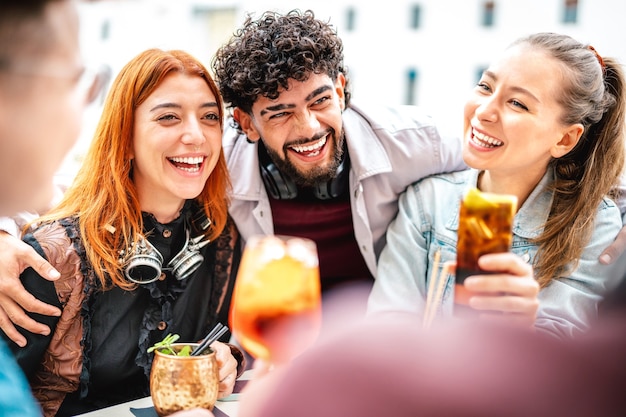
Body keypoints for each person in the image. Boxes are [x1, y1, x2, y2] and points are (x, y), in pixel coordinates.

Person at [0, 48, 246, 417]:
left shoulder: (222, 239)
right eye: (168, 117)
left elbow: (222, 341)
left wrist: (229, 359)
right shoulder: (54, 258)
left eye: (210, 116)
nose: (196, 135)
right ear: (125, 138)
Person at [367, 33, 626, 338]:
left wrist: (523, 329)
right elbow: (385, 330)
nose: (484, 111)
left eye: (517, 103)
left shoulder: (592, 224)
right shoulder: (427, 202)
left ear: (565, 138)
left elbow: (565, 361)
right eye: (485, 86)